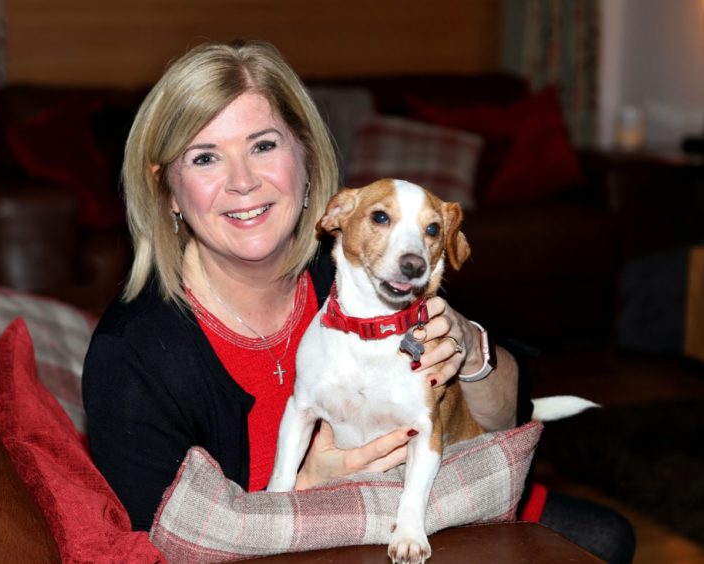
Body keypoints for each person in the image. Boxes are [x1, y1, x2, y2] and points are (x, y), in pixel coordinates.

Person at [82, 39, 634, 562]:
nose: (243, 182)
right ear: (167, 189)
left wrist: (471, 352)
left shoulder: (362, 266)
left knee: (608, 536)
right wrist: (309, 489)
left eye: (264, 146)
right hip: (304, 546)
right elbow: (165, 543)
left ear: (303, 159)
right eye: (205, 158)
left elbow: (504, 415)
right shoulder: (131, 355)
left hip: (441, 502)